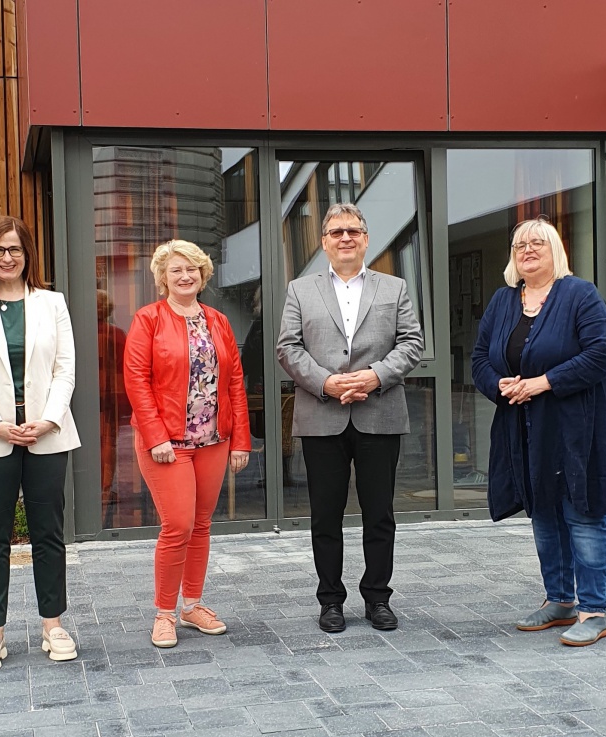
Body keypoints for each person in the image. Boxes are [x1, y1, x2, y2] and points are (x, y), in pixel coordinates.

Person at [471, 217, 606, 647]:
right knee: (543, 512)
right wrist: (500, 385)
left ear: (555, 250)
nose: (528, 250)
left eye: (537, 243)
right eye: (520, 245)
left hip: (579, 426)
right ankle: (560, 601)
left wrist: (543, 382)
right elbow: (480, 357)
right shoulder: (503, 300)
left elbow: (604, 351)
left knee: (582, 511)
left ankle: (593, 610)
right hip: (527, 426)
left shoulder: (580, 294)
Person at [277, 203, 423, 633]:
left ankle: (378, 598)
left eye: (353, 231)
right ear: (324, 241)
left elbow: (411, 343)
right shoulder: (300, 290)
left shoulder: (394, 287)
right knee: (326, 516)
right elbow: (287, 347)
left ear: (365, 239)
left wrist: (375, 376)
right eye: (337, 232)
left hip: (379, 414)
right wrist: (327, 382)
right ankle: (331, 601)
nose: (345, 238)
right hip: (323, 415)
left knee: (380, 514)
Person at [0, 215, 81, 672]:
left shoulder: (52, 303)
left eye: (15, 249)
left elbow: (65, 368)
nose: (7, 257)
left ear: (28, 255)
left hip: (47, 434)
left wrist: (49, 420)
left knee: (49, 535)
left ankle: (53, 626)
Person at [124, 239, 251, 649]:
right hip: (167, 444)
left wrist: (240, 440)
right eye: (176, 270)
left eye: (192, 268)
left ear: (203, 274)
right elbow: (137, 382)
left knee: (200, 524)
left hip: (213, 440)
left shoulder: (218, 321)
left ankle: (192, 606)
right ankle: (164, 613)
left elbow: (235, 382)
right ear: (163, 278)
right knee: (177, 525)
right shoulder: (148, 319)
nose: (185, 276)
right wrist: (156, 436)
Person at [96, 289, 129, 526]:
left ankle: (101, 490)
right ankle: (104, 490)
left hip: (90, 398)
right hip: (109, 400)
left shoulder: (78, 332)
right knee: (108, 444)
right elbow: (124, 369)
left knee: (100, 444)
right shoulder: (115, 334)